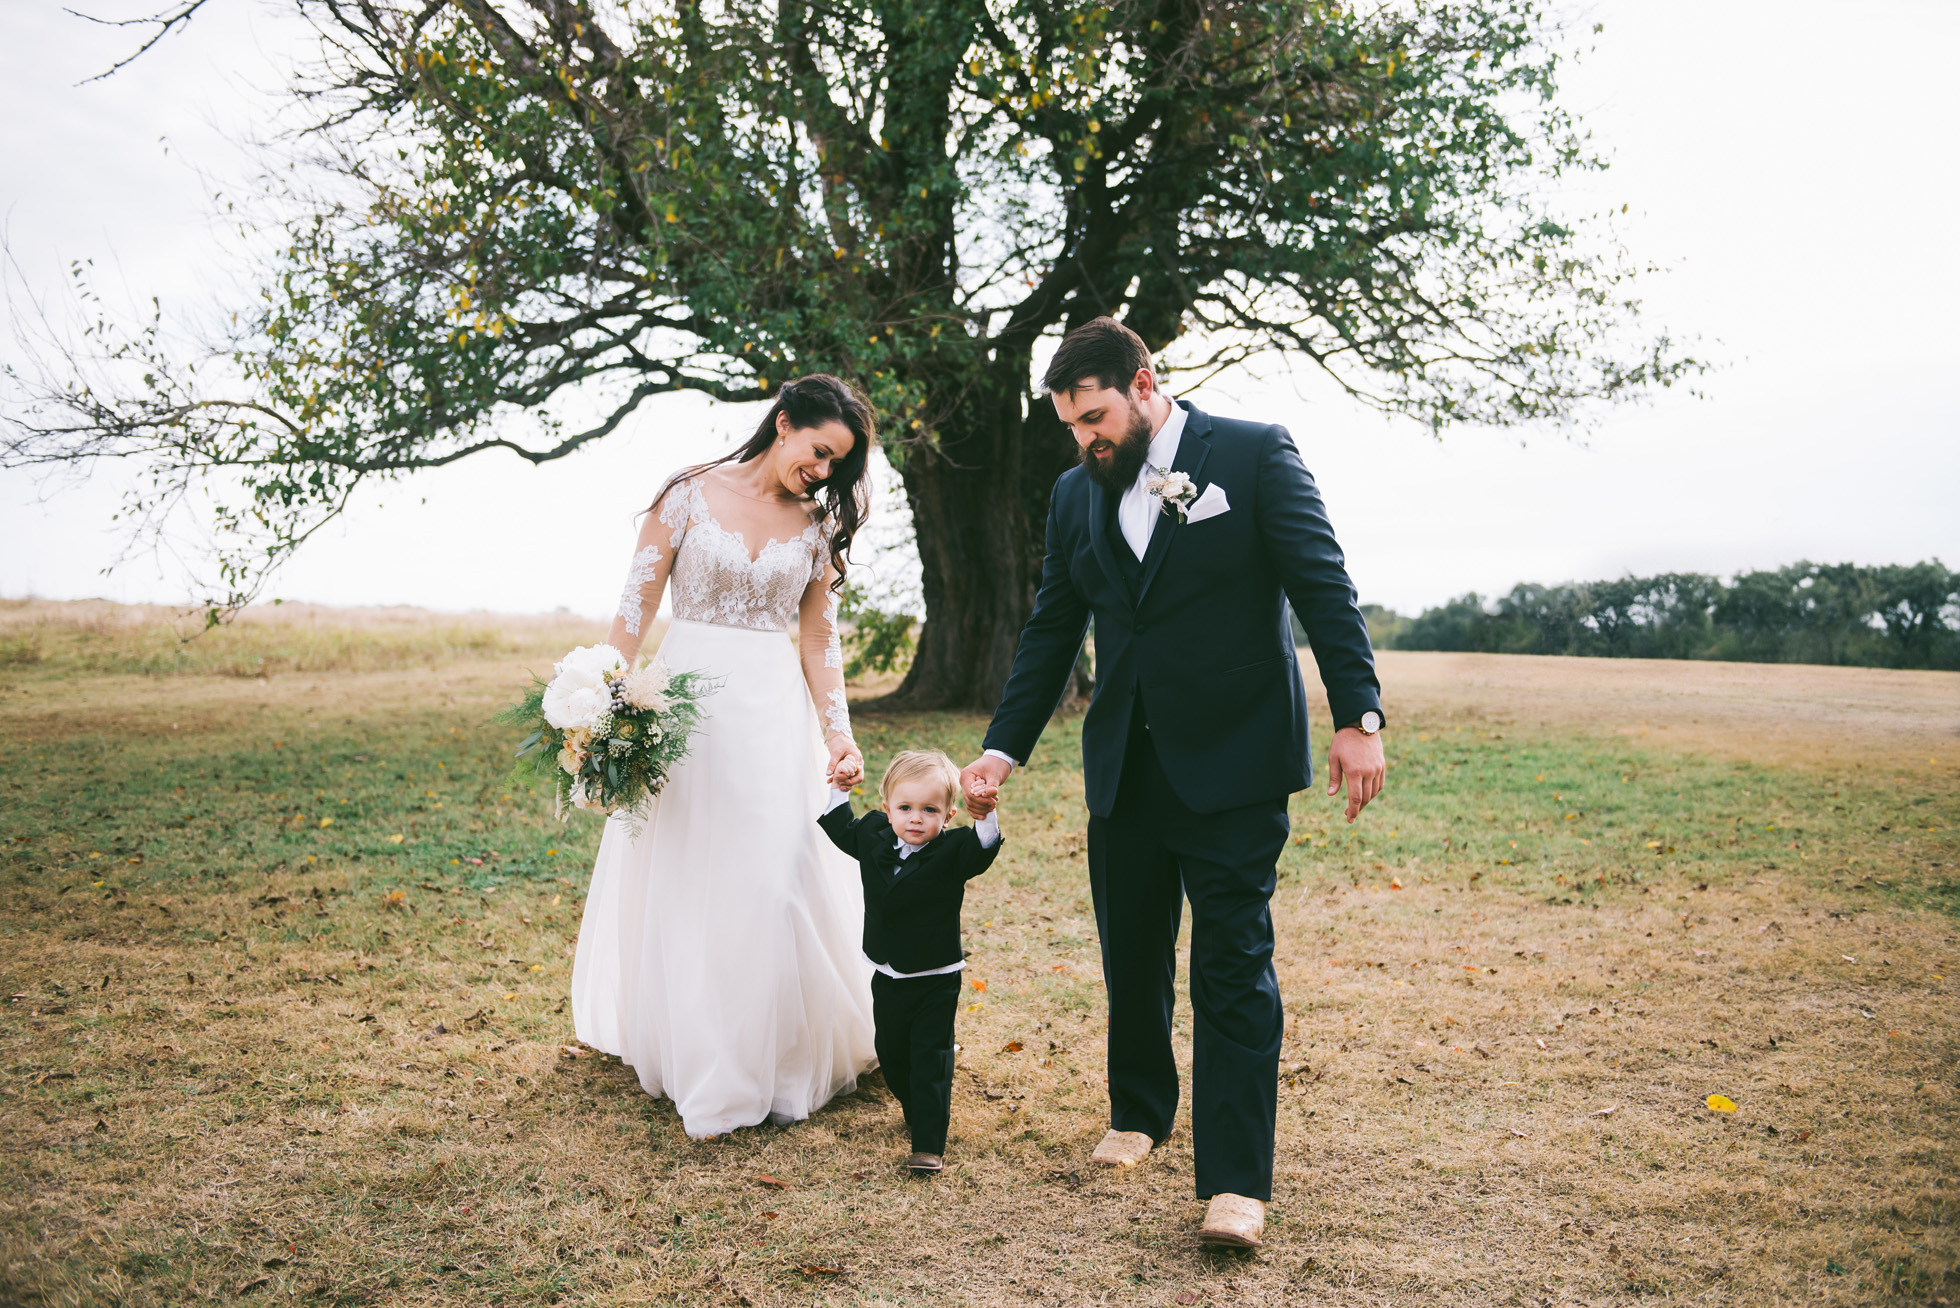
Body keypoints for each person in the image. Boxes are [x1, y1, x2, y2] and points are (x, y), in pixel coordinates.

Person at [959, 318, 1387, 1248]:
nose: (1086, 440)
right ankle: (1140, 1110)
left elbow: (1324, 586)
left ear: (1145, 384)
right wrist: (1004, 748)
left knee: (1231, 966)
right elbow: (1050, 631)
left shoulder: (1255, 453)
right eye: (1072, 426)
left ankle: (1236, 1183)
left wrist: (1358, 718)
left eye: (1097, 417)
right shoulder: (1076, 494)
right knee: (1133, 951)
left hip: (1234, 759)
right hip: (1125, 763)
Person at [570, 374, 879, 1139]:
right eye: (819, 452)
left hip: (771, 715)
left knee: (776, 876)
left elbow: (817, 638)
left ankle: (770, 1055)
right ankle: (699, 1051)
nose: (824, 473)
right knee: (689, 872)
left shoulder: (812, 528)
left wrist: (837, 732)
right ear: (783, 424)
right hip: (684, 709)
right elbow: (635, 607)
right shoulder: (686, 495)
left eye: (837, 464)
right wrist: (602, 699)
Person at [818, 750, 1003, 1174]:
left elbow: (983, 848)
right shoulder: (874, 835)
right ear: (886, 809)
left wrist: (986, 814)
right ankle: (913, 1104)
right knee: (892, 1051)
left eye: (929, 810)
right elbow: (840, 829)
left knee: (929, 1058)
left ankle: (928, 1144)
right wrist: (838, 789)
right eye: (905, 808)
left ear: (948, 813)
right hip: (887, 972)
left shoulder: (954, 849)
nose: (915, 818)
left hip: (935, 977)